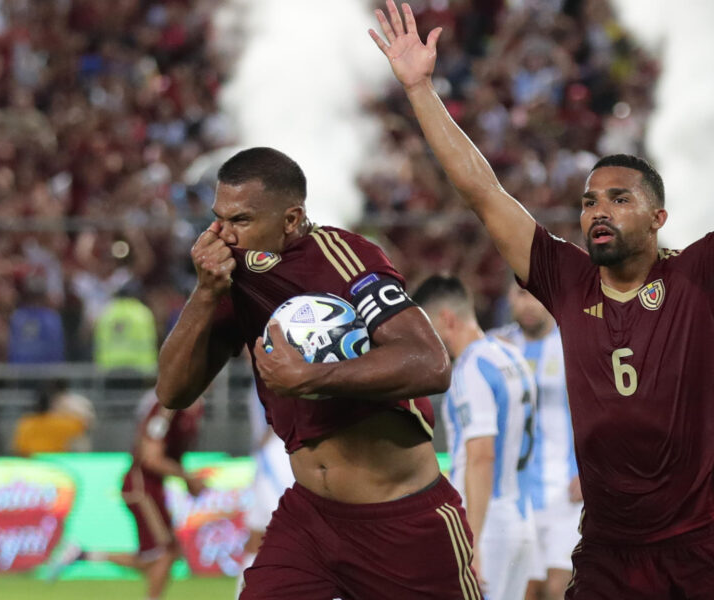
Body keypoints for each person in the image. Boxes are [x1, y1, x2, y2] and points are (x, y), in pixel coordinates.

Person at [371, 3, 714, 596]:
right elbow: (481, 190)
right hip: (607, 548)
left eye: (618, 199)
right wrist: (420, 89)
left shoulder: (699, 277)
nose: (597, 211)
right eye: (589, 201)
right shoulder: (564, 278)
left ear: (658, 218)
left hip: (697, 544)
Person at [154, 147, 477, 599]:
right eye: (218, 218)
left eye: (240, 220)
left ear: (291, 220)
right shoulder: (236, 280)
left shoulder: (347, 257)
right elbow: (172, 391)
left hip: (403, 522)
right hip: (310, 520)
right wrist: (206, 294)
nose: (221, 235)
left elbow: (430, 362)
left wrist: (311, 378)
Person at [413, 275, 537, 600]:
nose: (426, 339)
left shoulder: (470, 369)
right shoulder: (512, 356)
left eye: (427, 327)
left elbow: (481, 456)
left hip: (488, 523)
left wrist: (473, 543)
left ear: (446, 319)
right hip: (522, 516)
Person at [48, 390, 205, 600]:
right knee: (165, 552)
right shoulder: (167, 406)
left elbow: (169, 453)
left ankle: (82, 554)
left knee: (156, 558)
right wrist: (187, 477)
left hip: (152, 488)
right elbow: (151, 457)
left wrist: (186, 479)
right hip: (141, 488)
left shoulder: (192, 407)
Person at [491, 284, 580, 600]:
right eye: (520, 294)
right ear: (509, 299)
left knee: (560, 587)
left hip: (566, 489)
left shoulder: (575, 344)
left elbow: (602, 412)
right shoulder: (495, 349)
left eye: (536, 295)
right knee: (522, 590)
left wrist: (588, 470)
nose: (529, 304)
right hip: (514, 496)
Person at [236, 382, 295, 599]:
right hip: (266, 460)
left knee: (282, 533)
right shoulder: (258, 375)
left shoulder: (275, 364)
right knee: (257, 536)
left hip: (279, 455)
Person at [12, 381, 94, 456]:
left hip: (34, 461)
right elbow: (83, 425)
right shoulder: (62, 423)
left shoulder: (26, 422)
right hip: (56, 461)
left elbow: (19, 448)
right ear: (51, 404)